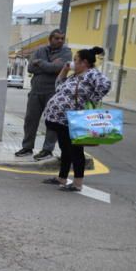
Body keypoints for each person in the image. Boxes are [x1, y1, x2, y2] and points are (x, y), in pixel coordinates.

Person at [41, 46, 111, 192]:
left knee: (76, 151)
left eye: (75, 60)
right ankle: (62, 177)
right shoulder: (75, 76)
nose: (73, 63)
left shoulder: (91, 74)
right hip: (61, 120)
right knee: (65, 149)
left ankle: (77, 183)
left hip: (74, 120)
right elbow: (58, 87)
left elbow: (105, 84)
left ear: (84, 62)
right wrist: (65, 70)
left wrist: (92, 100)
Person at [16, 29, 71, 159]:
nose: (60, 41)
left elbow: (57, 68)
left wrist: (40, 63)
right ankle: (27, 147)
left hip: (53, 92)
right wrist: (50, 65)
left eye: (62, 38)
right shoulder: (40, 50)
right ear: (50, 39)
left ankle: (47, 150)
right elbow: (30, 68)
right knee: (30, 120)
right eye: (57, 38)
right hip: (35, 90)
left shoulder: (66, 52)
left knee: (51, 121)